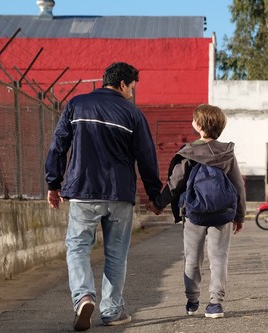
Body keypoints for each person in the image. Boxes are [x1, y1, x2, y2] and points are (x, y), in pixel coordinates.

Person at [45, 62, 162, 331]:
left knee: (77, 248)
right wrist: (155, 197)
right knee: (116, 255)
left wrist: (53, 184)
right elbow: (147, 158)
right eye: (132, 88)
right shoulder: (133, 113)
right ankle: (112, 312)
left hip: (83, 191)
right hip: (120, 194)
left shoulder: (76, 105)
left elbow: (58, 146)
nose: (132, 93)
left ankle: (84, 297)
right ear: (122, 84)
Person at [153, 104, 246, 319]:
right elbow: (238, 186)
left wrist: (158, 204)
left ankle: (193, 300)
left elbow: (174, 184)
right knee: (219, 257)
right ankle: (215, 304)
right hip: (223, 213)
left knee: (192, 259)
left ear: (198, 125)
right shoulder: (227, 153)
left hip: (194, 214)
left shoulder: (189, 152)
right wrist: (239, 215)